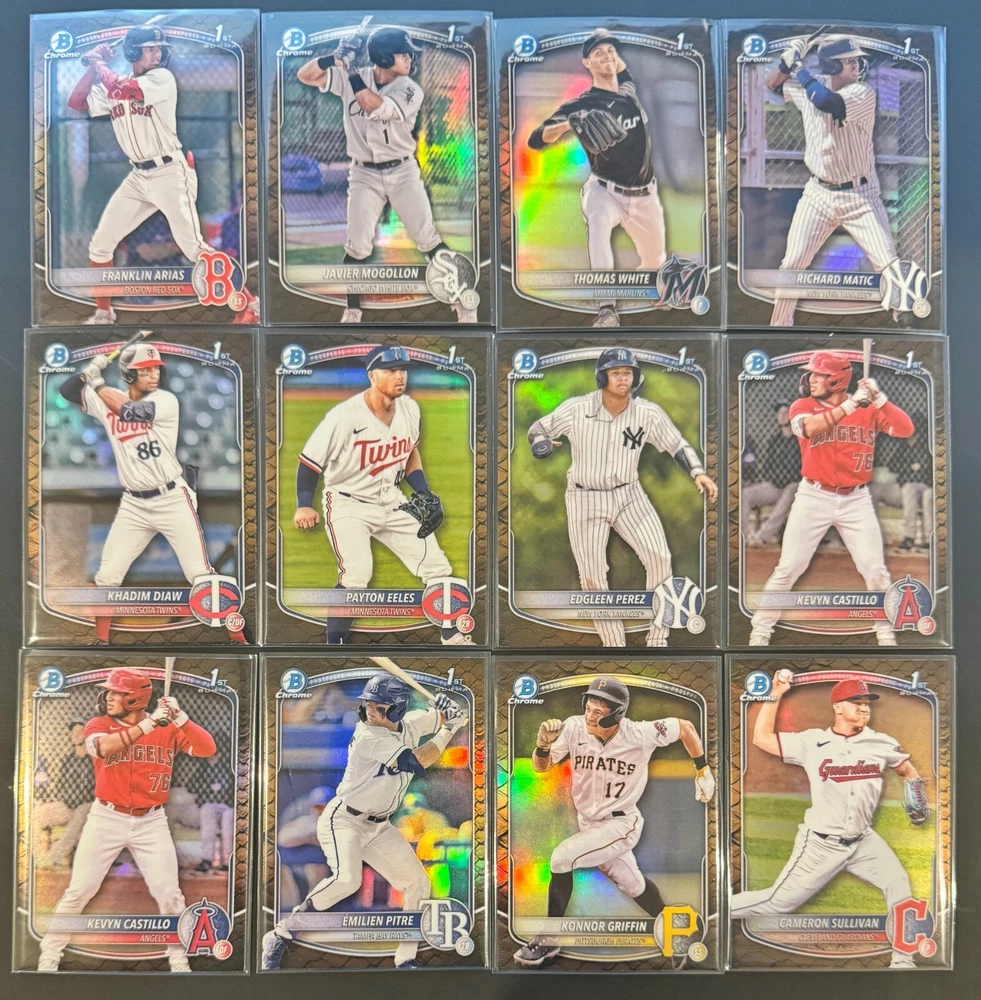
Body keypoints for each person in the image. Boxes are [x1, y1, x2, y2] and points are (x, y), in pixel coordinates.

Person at [261, 674, 469, 970]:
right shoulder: (369, 735)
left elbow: (443, 716)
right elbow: (419, 760)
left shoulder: (411, 723)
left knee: (417, 882)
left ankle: (405, 959)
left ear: (397, 709)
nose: (370, 709)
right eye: (368, 703)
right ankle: (282, 933)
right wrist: (449, 728)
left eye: (378, 705)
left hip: (379, 825)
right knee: (348, 880)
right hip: (344, 819)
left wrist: (450, 710)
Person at [513, 676, 714, 967]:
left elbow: (685, 728)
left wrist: (702, 769)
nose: (589, 715)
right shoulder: (574, 727)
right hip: (589, 824)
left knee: (561, 858)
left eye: (598, 711)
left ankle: (548, 938)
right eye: (588, 707)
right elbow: (541, 767)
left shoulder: (639, 734)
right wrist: (542, 745)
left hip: (621, 824)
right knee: (633, 885)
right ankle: (681, 933)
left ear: (616, 714)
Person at [731, 672, 927, 970]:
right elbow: (761, 738)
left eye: (867, 703)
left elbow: (906, 770)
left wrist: (915, 791)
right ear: (837, 707)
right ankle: (713, 912)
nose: (864, 708)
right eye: (856, 702)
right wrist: (776, 693)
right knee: (777, 903)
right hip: (821, 845)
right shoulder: (813, 742)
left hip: (863, 842)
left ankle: (903, 961)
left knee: (898, 882)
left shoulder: (881, 742)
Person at [59, 343, 248, 645]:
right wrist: (89, 371)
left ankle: (237, 635)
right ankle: (101, 641)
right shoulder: (107, 400)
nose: (154, 374)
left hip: (172, 498)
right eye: (145, 370)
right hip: (133, 504)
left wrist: (96, 382)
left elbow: (129, 412)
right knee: (108, 574)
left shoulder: (165, 400)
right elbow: (67, 390)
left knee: (199, 573)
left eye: (156, 369)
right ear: (129, 375)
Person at [68, 26, 258, 325]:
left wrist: (98, 63)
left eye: (159, 48)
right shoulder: (118, 82)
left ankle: (248, 304)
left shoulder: (162, 78)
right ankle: (104, 313)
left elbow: (124, 91)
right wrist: (93, 68)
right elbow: (77, 103)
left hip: (170, 172)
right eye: (150, 48)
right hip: (138, 176)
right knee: (101, 244)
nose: (158, 53)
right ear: (133, 52)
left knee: (193, 247)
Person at [529, 347, 717, 646]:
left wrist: (697, 472)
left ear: (635, 377)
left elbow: (676, 445)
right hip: (585, 497)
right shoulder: (578, 408)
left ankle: (658, 639)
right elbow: (539, 426)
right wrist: (540, 440)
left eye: (627, 372)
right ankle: (614, 644)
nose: (622, 378)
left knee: (660, 557)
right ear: (602, 377)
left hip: (629, 495)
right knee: (592, 576)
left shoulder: (647, 413)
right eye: (615, 372)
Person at [37, 668, 217, 972]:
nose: (109, 697)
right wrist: (148, 724)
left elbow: (207, 748)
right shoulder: (99, 725)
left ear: (135, 698)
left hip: (151, 822)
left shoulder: (166, 729)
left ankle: (178, 958)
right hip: (106, 817)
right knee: (80, 889)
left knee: (169, 894)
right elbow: (103, 747)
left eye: (117, 692)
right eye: (109, 691)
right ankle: (50, 955)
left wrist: (181, 717)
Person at [293, 345, 471, 645]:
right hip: (348, 503)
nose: (400, 376)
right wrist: (303, 505)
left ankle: (452, 636)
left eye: (402, 370)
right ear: (372, 375)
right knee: (356, 575)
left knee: (437, 566)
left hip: (391, 499)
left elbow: (410, 453)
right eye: (391, 370)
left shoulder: (410, 409)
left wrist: (423, 491)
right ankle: (335, 644)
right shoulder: (344, 416)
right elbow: (309, 462)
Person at [296, 27, 475, 323]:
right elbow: (305, 75)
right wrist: (333, 58)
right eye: (403, 54)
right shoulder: (357, 75)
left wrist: (348, 70)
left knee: (428, 239)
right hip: (363, 174)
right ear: (383, 57)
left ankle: (462, 300)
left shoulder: (410, 89)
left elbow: (374, 107)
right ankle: (352, 309)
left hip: (403, 171)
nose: (409, 58)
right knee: (357, 245)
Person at [748, 352, 914, 645]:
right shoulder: (802, 406)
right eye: (811, 373)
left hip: (856, 500)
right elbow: (809, 428)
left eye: (819, 374)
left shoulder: (867, 409)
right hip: (813, 496)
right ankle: (760, 630)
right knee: (789, 567)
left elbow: (905, 429)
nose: (811, 379)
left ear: (836, 379)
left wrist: (879, 398)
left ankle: (885, 632)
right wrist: (850, 404)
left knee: (874, 569)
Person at [528, 30, 666, 328]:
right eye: (598, 53)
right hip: (604, 191)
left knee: (656, 264)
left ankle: (648, 297)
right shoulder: (582, 104)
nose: (606, 55)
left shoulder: (628, 89)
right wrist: (568, 124)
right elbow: (536, 139)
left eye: (610, 51)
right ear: (586, 63)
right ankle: (606, 308)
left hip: (645, 196)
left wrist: (611, 54)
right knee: (599, 223)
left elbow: (619, 67)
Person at [764, 36, 898, 327]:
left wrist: (798, 67)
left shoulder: (862, 92)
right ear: (831, 65)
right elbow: (772, 84)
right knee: (792, 264)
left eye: (857, 60)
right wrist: (786, 62)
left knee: (889, 264)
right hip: (818, 195)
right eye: (849, 61)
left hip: (860, 196)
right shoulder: (810, 86)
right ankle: (779, 329)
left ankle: (907, 322)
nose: (857, 65)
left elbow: (826, 101)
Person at [34, 722, 95, 868]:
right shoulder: (68, 761)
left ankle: (54, 857)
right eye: (73, 733)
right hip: (67, 806)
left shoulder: (95, 760)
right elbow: (60, 788)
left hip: (87, 807)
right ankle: (37, 857)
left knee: (80, 815)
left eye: (79, 732)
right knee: (36, 815)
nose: (75, 735)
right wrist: (49, 799)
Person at [742, 403, 800, 546]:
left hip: (794, 487)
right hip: (776, 486)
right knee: (746, 494)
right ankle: (743, 536)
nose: (782, 416)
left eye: (785, 412)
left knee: (790, 490)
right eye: (779, 413)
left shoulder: (800, 440)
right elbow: (767, 467)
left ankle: (761, 537)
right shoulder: (774, 441)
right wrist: (773, 480)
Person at [192, 750, 235, 873]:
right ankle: (207, 859)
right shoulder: (202, 770)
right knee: (206, 813)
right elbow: (193, 787)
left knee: (228, 821)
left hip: (227, 805)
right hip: (210, 804)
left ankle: (228, 860)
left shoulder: (228, 769)